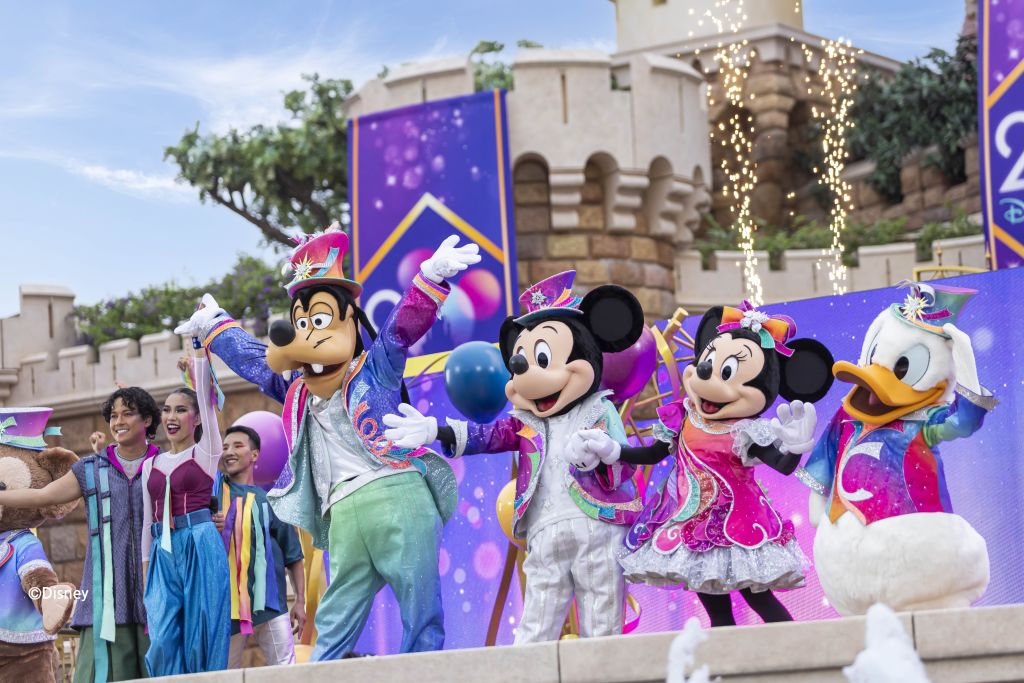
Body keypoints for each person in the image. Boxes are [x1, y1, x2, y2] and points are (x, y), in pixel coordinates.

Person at [174, 226, 479, 659]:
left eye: (318, 321)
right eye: (302, 324)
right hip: (344, 514)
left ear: (350, 322)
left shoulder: (374, 370)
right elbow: (258, 363)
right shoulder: (298, 390)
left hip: (395, 495)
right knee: (335, 620)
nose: (307, 334)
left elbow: (398, 331)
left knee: (420, 607)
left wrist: (428, 280)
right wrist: (215, 326)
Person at [0, 388, 162, 683]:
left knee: (162, 671)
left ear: (148, 420)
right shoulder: (91, 469)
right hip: (108, 594)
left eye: (127, 414)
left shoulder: (165, 465)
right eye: (113, 416)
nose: (118, 422)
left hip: (156, 586)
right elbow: (43, 496)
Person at [139, 334, 230, 676]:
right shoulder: (150, 464)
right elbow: (146, 521)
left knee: (201, 636)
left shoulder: (206, 453)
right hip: (162, 551)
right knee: (162, 638)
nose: (171, 416)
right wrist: (147, 573)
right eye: (166, 410)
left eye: (180, 409)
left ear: (196, 418)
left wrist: (199, 352)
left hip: (200, 543)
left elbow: (207, 400)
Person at [213, 425, 305, 668]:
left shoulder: (273, 502)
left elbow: (293, 556)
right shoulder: (214, 488)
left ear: (254, 454)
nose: (229, 452)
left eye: (237, 446)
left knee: (285, 670)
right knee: (223, 674)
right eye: (225, 447)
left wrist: (300, 601)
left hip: (270, 605)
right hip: (227, 606)